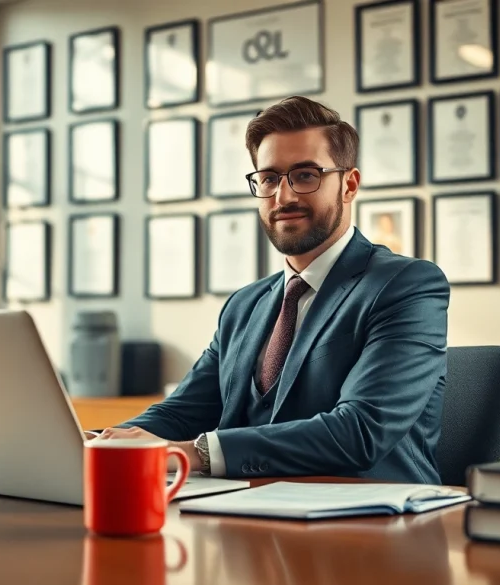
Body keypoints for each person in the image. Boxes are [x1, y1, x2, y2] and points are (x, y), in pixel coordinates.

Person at [93, 96, 450, 484]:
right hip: (249, 515)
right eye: (269, 178)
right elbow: (182, 412)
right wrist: (99, 443)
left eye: (306, 175)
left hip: (374, 523)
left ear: (349, 185)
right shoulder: (245, 305)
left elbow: (360, 432)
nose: (284, 197)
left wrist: (191, 453)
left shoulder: (406, 286)